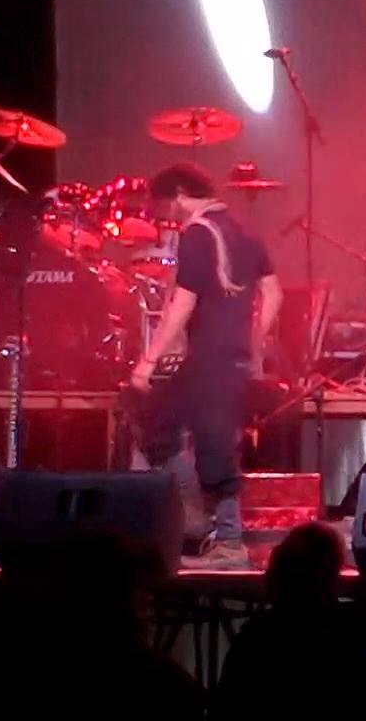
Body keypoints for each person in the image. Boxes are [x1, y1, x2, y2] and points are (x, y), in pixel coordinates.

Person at [131, 162, 283, 569]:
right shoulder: (246, 230)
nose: (164, 216)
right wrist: (254, 341)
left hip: (211, 357)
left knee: (209, 445)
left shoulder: (198, 233)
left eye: (163, 205)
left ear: (179, 195)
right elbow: (273, 293)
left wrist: (149, 359)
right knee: (157, 423)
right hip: (225, 356)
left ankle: (227, 540)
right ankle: (196, 517)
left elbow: (183, 301)